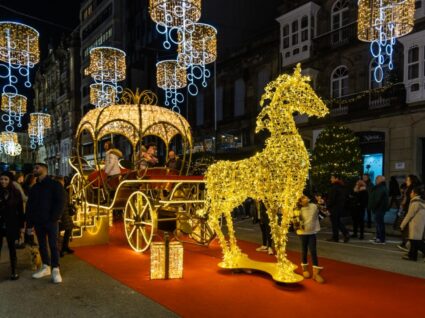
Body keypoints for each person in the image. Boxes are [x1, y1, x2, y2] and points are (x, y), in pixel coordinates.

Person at [26, 163, 65, 284]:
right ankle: (46, 266)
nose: (34, 169)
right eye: (34, 168)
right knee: (42, 245)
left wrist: (55, 217)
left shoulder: (54, 184)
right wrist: (30, 224)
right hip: (38, 221)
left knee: (53, 245)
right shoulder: (34, 188)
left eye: (37, 167)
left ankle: (55, 269)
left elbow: (61, 201)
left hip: (50, 221)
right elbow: (30, 206)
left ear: (44, 169)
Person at [0, 171, 24, 280]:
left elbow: (20, 211)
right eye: (1, 179)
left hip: (12, 224)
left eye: (6, 179)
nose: (3, 181)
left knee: (12, 248)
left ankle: (14, 271)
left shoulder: (16, 193)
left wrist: (21, 227)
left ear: (10, 181)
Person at [296, 195, 324, 283]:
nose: (306, 199)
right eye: (303, 199)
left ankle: (316, 273)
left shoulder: (314, 206)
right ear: (300, 202)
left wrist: (321, 203)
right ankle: (305, 269)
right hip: (302, 233)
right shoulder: (297, 210)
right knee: (304, 250)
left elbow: (324, 212)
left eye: (306, 197)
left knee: (313, 250)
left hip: (312, 232)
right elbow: (295, 223)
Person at [400, 185, 425, 261]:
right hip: (419, 224)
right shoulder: (421, 201)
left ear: (415, 193)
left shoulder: (415, 202)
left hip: (415, 224)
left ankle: (412, 256)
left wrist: (402, 225)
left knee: (416, 242)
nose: (410, 193)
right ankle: (412, 256)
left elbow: (409, 215)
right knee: (413, 241)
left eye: (411, 192)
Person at [397, 175, 421, 251]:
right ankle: (409, 246)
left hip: (410, 209)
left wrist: (404, 203)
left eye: (407, 180)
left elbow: (409, 199)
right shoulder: (412, 187)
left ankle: (408, 245)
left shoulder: (412, 188)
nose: (406, 181)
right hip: (409, 209)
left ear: (411, 180)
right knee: (409, 229)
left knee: (407, 228)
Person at [54, 176, 74, 257]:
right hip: (60, 214)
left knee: (67, 230)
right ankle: (61, 249)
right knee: (59, 233)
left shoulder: (59, 191)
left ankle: (63, 248)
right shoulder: (59, 191)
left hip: (63, 214)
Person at [326, 175, 350, 243]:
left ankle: (336, 237)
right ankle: (345, 234)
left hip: (334, 208)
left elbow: (332, 199)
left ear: (336, 178)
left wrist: (327, 205)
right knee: (337, 222)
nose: (331, 179)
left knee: (334, 223)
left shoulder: (334, 187)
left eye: (332, 178)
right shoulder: (342, 187)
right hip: (340, 207)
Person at [368, 175, 389, 244]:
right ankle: (378, 237)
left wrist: (373, 207)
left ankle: (381, 239)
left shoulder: (380, 188)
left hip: (379, 208)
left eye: (376, 179)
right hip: (380, 208)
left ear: (380, 180)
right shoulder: (382, 187)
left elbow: (377, 199)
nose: (375, 181)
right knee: (379, 224)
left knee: (379, 224)